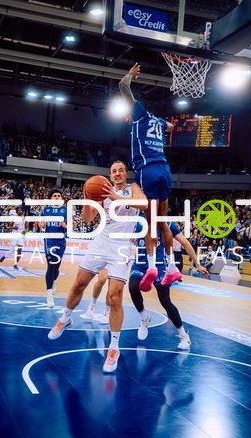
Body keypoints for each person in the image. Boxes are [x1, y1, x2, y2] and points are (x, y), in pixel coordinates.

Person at [47, 160, 147, 374]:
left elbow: (144, 204)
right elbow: (87, 218)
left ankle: (113, 347)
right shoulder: (101, 192)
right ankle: (65, 318)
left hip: (121, 245)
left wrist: (116, 196)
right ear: (110, 175)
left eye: (121, 170)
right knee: (78, 284)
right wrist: (87, 198)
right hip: (101, 241)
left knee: (114, 297)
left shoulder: (133, 188)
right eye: (114, 171)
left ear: (125, 174)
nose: (118, 173)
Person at [119, 62, 182, 292]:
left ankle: (153, 266)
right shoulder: (156, 120)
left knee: (149, 221)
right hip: (166, 170)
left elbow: (123, 86)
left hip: (148, 170)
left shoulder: (140, 114)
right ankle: (172, 266)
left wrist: (130, 75)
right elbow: (172, 127)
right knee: (162, 221)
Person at [130, 218, 208, 349]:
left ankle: (184, 336)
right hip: (140, 265)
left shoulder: (167, 224)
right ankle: (145, 318)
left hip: (160, 267)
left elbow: (185, 243)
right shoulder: (138, 220)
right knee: (133, 287)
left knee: (165, 300)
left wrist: (197, 263)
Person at [41, 189, 67, 306]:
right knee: (51, 265)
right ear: (51, 198)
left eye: (58, 196)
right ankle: (49, 295)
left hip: (61, 241)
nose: (57, 197)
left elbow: (71, 227)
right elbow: (41, 223)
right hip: (49, 240)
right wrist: (41, 224)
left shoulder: (66, 210)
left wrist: (65, 225)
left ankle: (54, 281)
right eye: (54, 196)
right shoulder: (46, 210)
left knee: (56, 269)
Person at [0, 207, 25, 271]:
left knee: (19, 251)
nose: (20, 211)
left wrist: (26, 231)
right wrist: (13, 227)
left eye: (21, 210)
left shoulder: (24, 218)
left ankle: (15, 265)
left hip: (21, 235)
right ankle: (4, 256)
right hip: (14, 234)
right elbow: (9, 226)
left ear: (22, 211)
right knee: (12, 250)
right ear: (16, 212)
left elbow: (27, 227)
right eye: (18, 210)